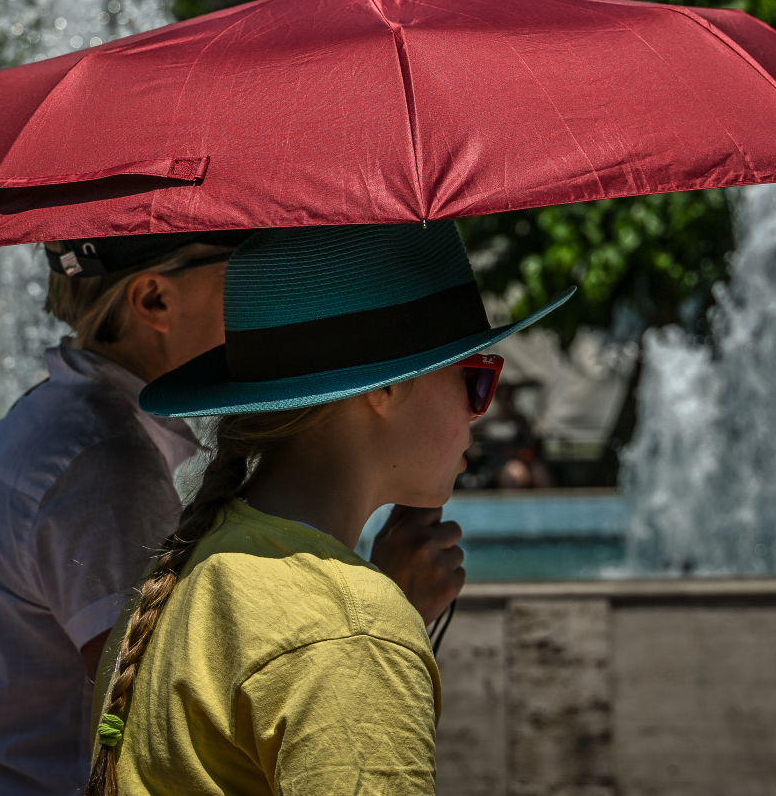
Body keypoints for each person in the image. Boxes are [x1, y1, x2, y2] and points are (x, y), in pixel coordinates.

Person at [0, 231, 470, 796]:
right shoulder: (106, 464)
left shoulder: (65, 429)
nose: (264, 288)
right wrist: (381, 614)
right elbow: (172, 701)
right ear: (153, 301)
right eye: (243, 265)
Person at [87, 223, 572, 795]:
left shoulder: (193, 566)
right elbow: (325, 648)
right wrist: (373, 625)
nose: (478, 413)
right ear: (385, 386)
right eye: (474, 376)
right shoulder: (345, 633)